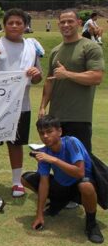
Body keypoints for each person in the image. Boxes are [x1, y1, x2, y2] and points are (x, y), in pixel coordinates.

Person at [0, 8, 43, 198]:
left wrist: (36, 74)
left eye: (18, 23)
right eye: (10, 22)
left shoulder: (32, 47)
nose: (14, 26)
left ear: (25, 26)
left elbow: (37, 78)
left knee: (16, 143)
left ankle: (16, 181)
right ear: (4, 25)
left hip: (21, 104)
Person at [21, 115, 104, 244]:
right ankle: (57, 203)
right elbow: (44, 183)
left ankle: (91, 224)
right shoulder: (44, 152)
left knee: (85, 185)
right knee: (25, 179)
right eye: (42, 133)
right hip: (62, 186)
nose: (45, 136)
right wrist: (39, 215)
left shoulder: (71, 142)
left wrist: (54, 159)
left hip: (80, 186)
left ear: (59, 131)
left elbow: (79, 172)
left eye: (49, 132)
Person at [39, 10, 104, 154]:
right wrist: (43, 106)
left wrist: (67, 74)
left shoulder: (90, 47)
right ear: (58, 25)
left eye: (70, 21)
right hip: (55, 119)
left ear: (79, 23)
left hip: (79, 117)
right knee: (58, 160)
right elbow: (49, 81)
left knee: (82, 165)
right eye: (62, 22)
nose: (66, 25)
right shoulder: (56, 51)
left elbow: (96, 77)